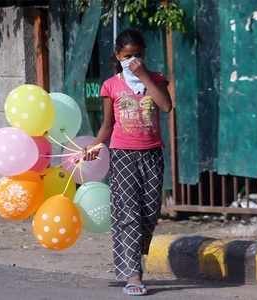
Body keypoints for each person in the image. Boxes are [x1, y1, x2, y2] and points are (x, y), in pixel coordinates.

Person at [85, 28, 172, 296]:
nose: (132, 60)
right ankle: (133, 275)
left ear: (144, 55)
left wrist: (144, 76)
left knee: (149, 213)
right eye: (127, 56)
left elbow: (167, 107)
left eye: (137, 55)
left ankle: (133, 254)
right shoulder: (111, 85)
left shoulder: (155, 80)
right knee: (129, 215)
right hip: (122, 155)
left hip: (152, 154)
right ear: (117, 56)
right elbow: (107, 126)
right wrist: (95, 146)